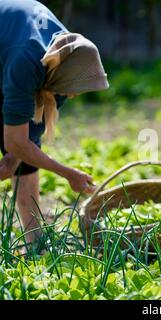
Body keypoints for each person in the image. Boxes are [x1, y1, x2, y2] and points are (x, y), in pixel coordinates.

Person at [0, 0, 109, 246]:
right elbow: (16, 141)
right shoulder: (26, 60)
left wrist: (13, 158)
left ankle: (35, 241)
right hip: (11, 53)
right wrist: (68, 174)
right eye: (73, 90)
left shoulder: (64, 57)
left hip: (10, 52)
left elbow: (26, 141)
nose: (72, 96)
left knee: (20, 156)